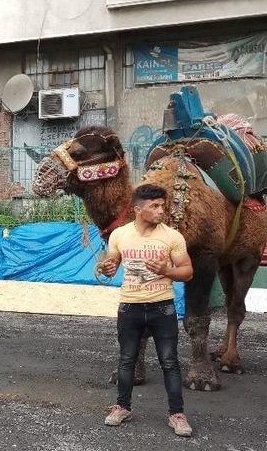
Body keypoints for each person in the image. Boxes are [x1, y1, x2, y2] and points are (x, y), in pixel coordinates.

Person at [97, 184, 194, 437]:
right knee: (127, 359)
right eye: (155, 206)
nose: (161, 210)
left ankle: (177, 414)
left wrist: (167, 271)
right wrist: (106, 269)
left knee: (170, 361)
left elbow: (187, 271)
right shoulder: (119, 235)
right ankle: (122, 407)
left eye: (163, 205)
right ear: (138, 209)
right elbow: (113, 264)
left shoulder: (173, 236)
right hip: (129, 306)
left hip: (162, 307)